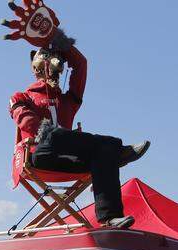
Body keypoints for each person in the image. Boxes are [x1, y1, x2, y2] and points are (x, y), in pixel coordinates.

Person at [9, 29, 150, 229]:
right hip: (39, 155)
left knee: (102, 153)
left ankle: (110, 218)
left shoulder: (68, 100)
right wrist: (47, 132)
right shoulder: (21, 96)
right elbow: (24, 119)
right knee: (53, 134)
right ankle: (119, 150)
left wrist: (60, 43)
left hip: (65, 159)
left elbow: (81, 65)